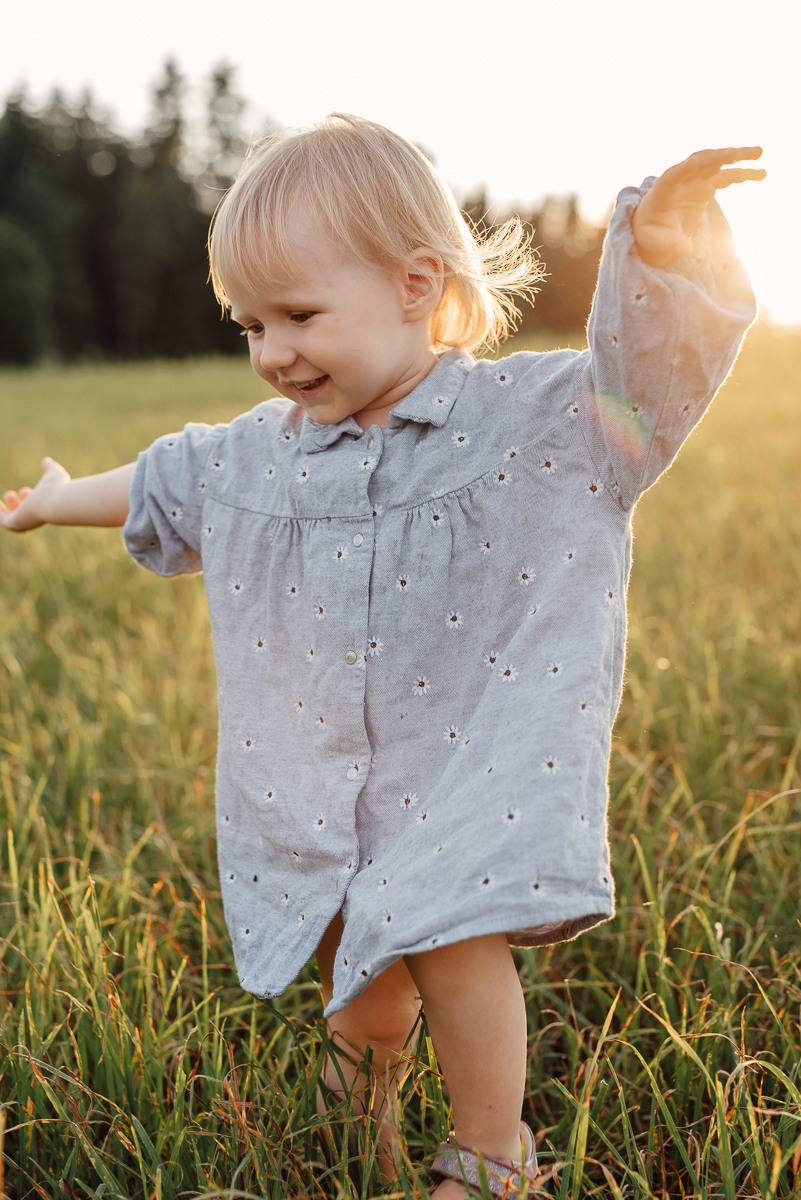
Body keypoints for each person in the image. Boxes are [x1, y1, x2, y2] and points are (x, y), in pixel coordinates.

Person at [1, 115, 764, 1197]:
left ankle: (494, 1156)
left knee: (452, 946)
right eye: (248, 325)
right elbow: (170, 482)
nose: (271, 354)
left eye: (299, 316)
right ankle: (359, 1134)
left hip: (466, 769)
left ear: (415, 287)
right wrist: (54, 500)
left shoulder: (532, 422)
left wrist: (666, 251)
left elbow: (642, 383)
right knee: (358, 983)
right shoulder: (264, 454)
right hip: (323, 789)